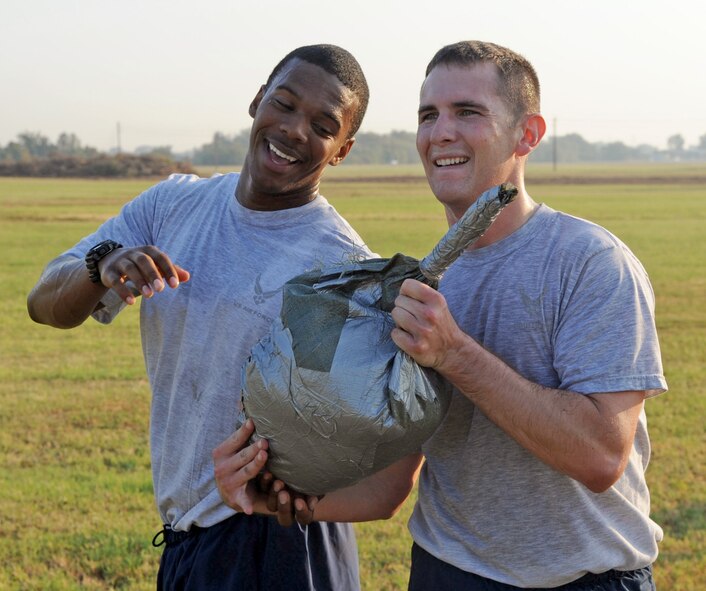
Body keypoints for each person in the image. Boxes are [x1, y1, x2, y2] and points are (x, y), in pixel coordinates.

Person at [215, 40, 667, 591]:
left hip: (584, 580)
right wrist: (279, 497)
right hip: (444, 571)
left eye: (467, 112)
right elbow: (389, 488)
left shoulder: (590, 262)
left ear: (528, 135)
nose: (440, 132)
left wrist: (455, 355)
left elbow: (601, 457)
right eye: (429, 115)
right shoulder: (421, 282)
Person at [27, 43, 380, 591]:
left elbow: (382, 449)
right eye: (283, 104)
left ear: (342, 150)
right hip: (188, 531)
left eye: (322, 124)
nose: (292, 129)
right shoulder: (172, 205)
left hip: (280, 540)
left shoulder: (344, 268)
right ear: (257, 100)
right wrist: (102, 265)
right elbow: (43, 302)